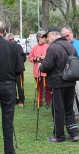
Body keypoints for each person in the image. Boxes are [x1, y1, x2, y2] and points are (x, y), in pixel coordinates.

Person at [39, 26, 79, 142]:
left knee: (58, 109)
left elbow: (47, 66)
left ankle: (59, 136)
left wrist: (41, 66)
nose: (47, 39)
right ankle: (74, 134)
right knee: (69, 108)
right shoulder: (70, 45)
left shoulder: (53, 47)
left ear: (52, 35)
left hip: (58, 82)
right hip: (70, 81)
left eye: (47, 36)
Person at [0, 20, 23, 154]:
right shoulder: (13, 47)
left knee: (8, 121)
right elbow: (19, 69)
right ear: (4, 31)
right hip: (8, 86)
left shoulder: (13, 46)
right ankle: (9, 151)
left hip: (7, 84)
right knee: (8, 122)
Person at [61, 26, 79, 127]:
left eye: (69, 34)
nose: (69, 37)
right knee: (71, 98)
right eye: (66, 35)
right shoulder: (63, 45)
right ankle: (75, 116)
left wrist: (75, 55)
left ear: (72, 33)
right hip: (68, 75)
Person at [28, 31, 51, 108]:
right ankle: (39, 100)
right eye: (42, 37)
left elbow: (51, 56)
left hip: (46, 70)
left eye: (45, 37)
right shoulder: (34, 48)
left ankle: (48, 101)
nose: (44, 38)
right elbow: (30, 58)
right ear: (38, 38)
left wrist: (45, 58)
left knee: (48, 87)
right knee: (39, 87)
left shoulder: (48, 46)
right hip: (37, 71)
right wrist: (36, 58)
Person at [5, 33, 26, 106]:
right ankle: (14, 100)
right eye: (10, 39)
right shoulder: (6, 47)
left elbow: (23, 57)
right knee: (12, 86)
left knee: (20, 86)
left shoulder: (18, 46)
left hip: (18, 70)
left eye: (13, 39)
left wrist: (19, 64)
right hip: (10, 71)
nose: (12, 40)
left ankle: (21, 100)